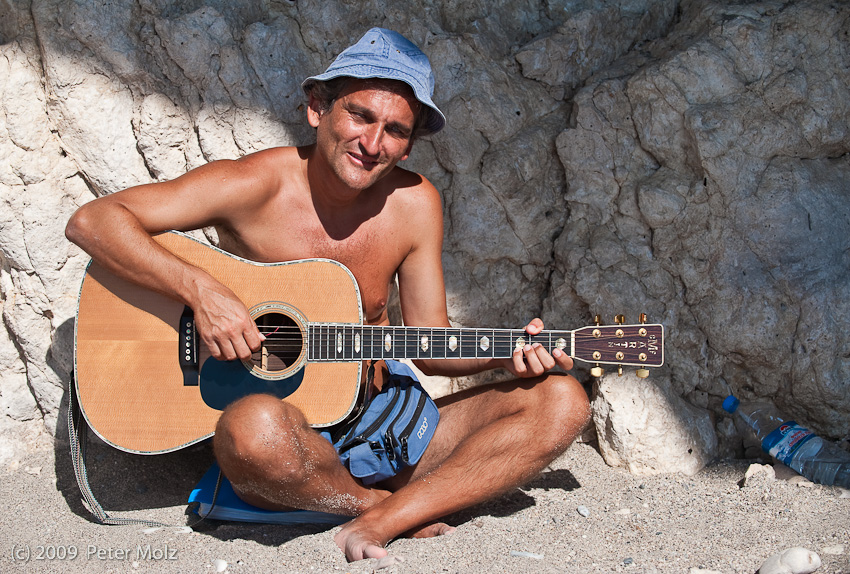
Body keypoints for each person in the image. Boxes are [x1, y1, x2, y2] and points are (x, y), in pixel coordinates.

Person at [65, 27, 590, 562]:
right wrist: (202, 292)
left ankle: (388, 514)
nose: (373, 143)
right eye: (360, 115)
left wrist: (509, 355)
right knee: (254, 431)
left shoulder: (414, 203)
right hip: (287, 435)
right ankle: (372, 506)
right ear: (318, 108)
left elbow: (428, 343)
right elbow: (94, 221)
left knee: (562, 400)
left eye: (396, 130)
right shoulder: (256, 184)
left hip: (384, 421)